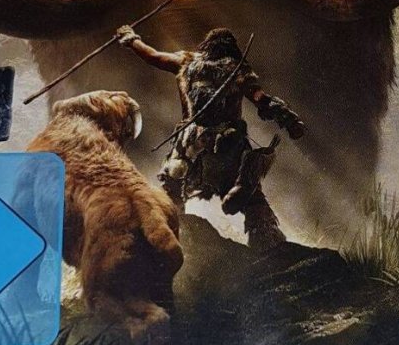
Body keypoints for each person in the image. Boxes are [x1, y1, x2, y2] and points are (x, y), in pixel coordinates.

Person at [115, 26, 305, 250]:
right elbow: (261, 99)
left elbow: (152, 56)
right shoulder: (237, 68)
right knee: (254, 203)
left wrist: (131, 38)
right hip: (229, 149)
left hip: (189, 149)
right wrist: (289, 120)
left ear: (206, 46)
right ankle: (270, 250)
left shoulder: (185, 62)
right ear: (232, 49)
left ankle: (161, 244)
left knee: (171, 197)